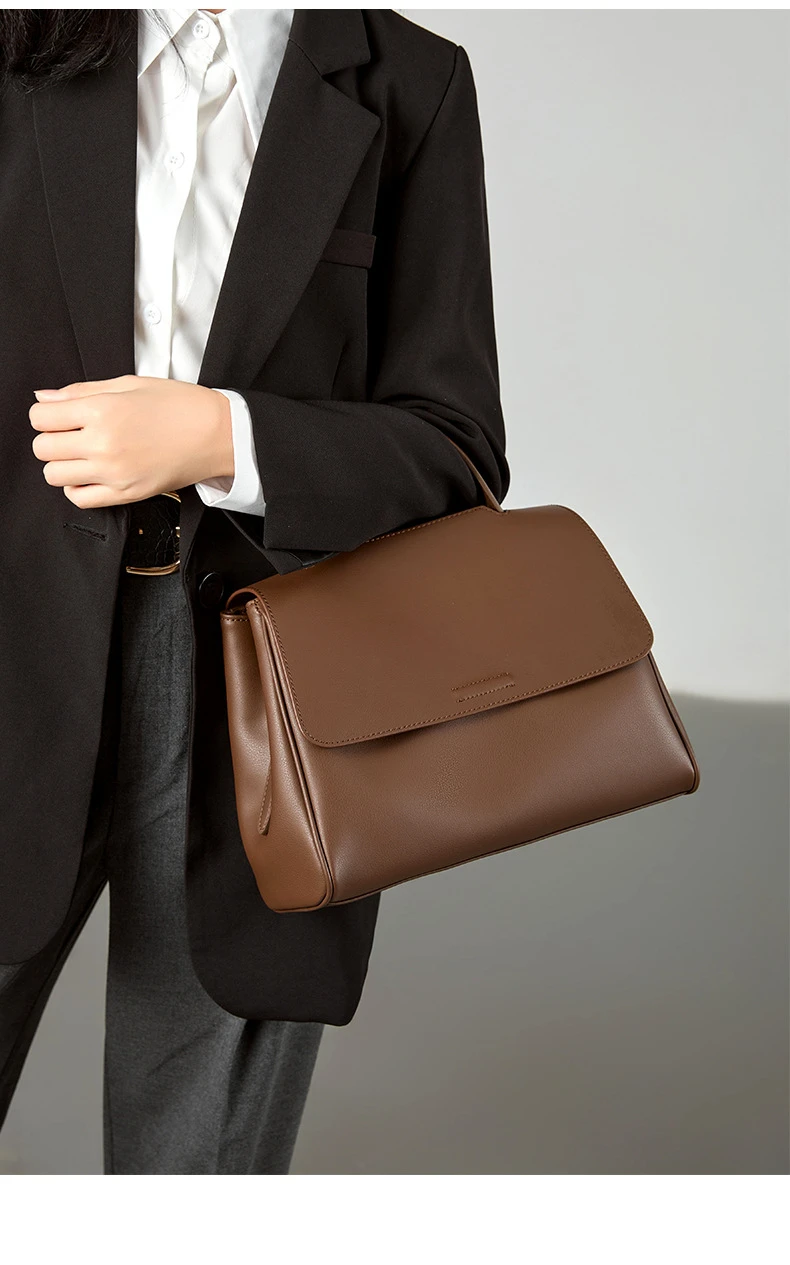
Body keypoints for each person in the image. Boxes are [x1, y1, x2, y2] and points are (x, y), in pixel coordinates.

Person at [0, 8, 510, 1174]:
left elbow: (458, 449)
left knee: (199, 1182)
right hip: (13, 648)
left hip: (269, 693)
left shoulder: (409, 82)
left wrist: (223, 436)